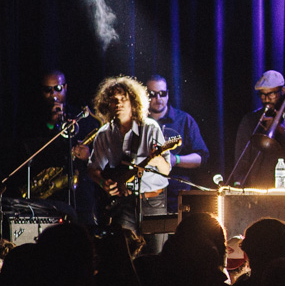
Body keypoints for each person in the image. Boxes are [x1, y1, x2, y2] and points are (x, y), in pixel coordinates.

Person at [87, 76, 171, 253]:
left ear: (133, 102)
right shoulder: (104, 134)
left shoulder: (150, 128)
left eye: (123, 99)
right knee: (124, 255)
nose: (118, 104)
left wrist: (157, 160)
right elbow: (93, 168)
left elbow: (167, 170)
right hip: (123, 203)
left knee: (155, 257)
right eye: (113, 100)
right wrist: (103, 183)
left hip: (153, 202)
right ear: (107, 104)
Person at [16, 69, 101, 224]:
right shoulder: (33, 121)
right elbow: (30, 150)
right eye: (48, 90)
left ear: (65, 87)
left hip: (81, 195)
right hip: (49, 197)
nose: (53, 94)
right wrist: (52, 124)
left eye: (58, 89)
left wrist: (88, 155)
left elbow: (99, 155)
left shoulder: (82, 117)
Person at [232, 70, 285, 188]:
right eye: (262, 95)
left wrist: (281, 131)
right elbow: (241, 161)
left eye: (271, 94)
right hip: (258, 191)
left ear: (283, 91)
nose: (266, 99)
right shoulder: (250, 120)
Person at [146, 74, 210, 213]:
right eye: (152, 94)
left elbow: (201, 156)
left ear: (168, 94)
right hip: (147, 192)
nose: (158, 99)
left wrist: (176, 160)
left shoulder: (184, 120)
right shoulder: (140, 122)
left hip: (176, 193)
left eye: (162, 93)